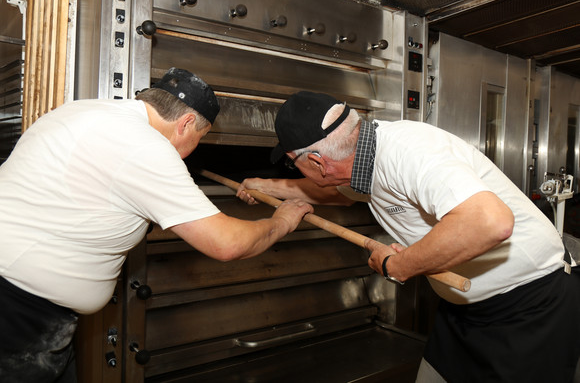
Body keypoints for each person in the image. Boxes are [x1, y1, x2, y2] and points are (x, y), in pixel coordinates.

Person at [236, 91, 580, 382]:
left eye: (291, 162)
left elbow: (490, 222)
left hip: (531, 306)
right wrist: (264, 185)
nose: (292, 168)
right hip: (465, 310)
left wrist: (400, 265)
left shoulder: (409, 151)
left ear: (317, 161)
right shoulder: (358, 158)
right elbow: (334, 192)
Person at [0, 68, 312, 383]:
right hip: (18, 314)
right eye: (198, 140)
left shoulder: (90, 111)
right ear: (187, 123)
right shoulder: (143, 146)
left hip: (28, 307)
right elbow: (227, 243)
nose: (192, 151)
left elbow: (93, 198)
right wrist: (282, 221)